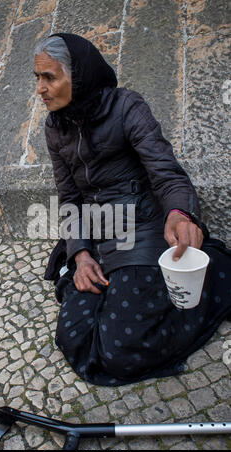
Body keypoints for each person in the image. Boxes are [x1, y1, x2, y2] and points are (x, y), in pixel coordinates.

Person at [34, 33, 231, 386]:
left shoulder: (126, 107)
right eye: (38, 78)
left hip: (139, 227)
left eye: (50, 77)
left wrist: (180, 214)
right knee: (73, 336)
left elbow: (166, 173)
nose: (40, 88)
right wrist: (79, 254)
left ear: (76, 76)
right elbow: (68, 198)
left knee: (119, 350)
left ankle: (216, 270)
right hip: (97, 232)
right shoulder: (55, 127)